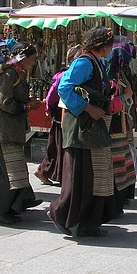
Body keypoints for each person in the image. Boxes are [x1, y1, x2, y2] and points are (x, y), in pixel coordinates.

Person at [47, 26, 131, 237]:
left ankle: (89, 222)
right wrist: (87, 107)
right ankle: (62, 214)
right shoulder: (84, 62)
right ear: (103, 46)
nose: (112, 50)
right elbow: (64, 88)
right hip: (82, 129)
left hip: (92, 129)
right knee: (81, 179)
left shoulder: (98, 63)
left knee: (96, 177)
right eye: (110, 46)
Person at [0, 41, 42, 223]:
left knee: (15, 171)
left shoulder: (18, 74)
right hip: (3, 131)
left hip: (12, 131)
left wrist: (28, 102)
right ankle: (0, 210)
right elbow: (4, 102)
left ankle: (16, 205)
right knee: (4, 174)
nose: (33, 63)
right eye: (31, 59)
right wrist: (26, 105)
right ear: (22, 59)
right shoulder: (8, 74)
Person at [34, 44, 82, 186]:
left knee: (60, 146)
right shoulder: (64, 76)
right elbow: (52, 95)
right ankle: (44, 170)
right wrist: (49, 108)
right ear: (72, 59)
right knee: (58, 145)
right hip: (60, 115)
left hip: (70, 114)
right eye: (78, 57)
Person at [106, 36, 137, 216]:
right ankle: (114, 203)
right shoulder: (109, 77)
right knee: (115, 166)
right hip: (113, 127)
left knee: (123, 164)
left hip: (122, 125)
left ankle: (121, 200)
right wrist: (125, 96)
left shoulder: (121, 74)